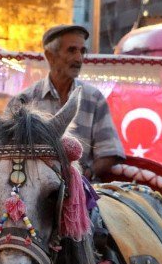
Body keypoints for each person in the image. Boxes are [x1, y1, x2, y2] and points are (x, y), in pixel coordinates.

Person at [14, 24, 125, 181]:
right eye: (72, 50)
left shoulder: (93, 99)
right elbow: (9, 152)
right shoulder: (24, 101)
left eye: (82, 51)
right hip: (34, 191)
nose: (79, 58)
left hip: (82, 188)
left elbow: (109, 152)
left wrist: (86, 173)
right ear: (50, 56)